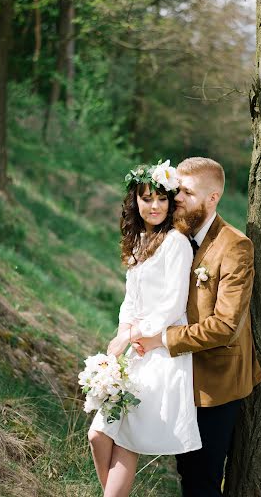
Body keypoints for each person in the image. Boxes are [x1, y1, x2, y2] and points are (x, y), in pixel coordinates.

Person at [136, 157, 261, 497]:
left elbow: (225, 326)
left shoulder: (235, 246)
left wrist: (161, 339)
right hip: (178, 373)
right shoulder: (169, 237)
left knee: (202, 479)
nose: (176, 198)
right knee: (186, 471)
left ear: (213, 198)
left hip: (216, 383)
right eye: (176, 189)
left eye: (187, 193)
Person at [88, 159, 202, 497]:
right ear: (135, 201)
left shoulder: (176, 243)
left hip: (160, 352)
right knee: (98, 436)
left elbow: (172, 304)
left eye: (162, 199)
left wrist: (132, 335)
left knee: (124, 441)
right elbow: (131, 299)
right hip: (134, 349)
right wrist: (120, 334)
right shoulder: (139, 241)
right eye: (146, 198)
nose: (154, 206)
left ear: (170, 202)